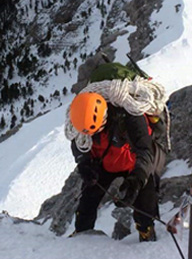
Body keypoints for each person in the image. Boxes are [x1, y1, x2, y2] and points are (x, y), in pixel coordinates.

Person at [68, 92, 167, 242]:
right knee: (88, 199)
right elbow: (78, 144)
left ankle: (146, 230)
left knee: (145, 200)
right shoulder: (80, 121)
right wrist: (84, 163)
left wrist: (137, 179)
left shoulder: (131, 116)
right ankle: (82, 232)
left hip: (133, 163)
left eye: (96, 130)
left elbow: (145, 151)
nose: (91, 135)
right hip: (104, 162)